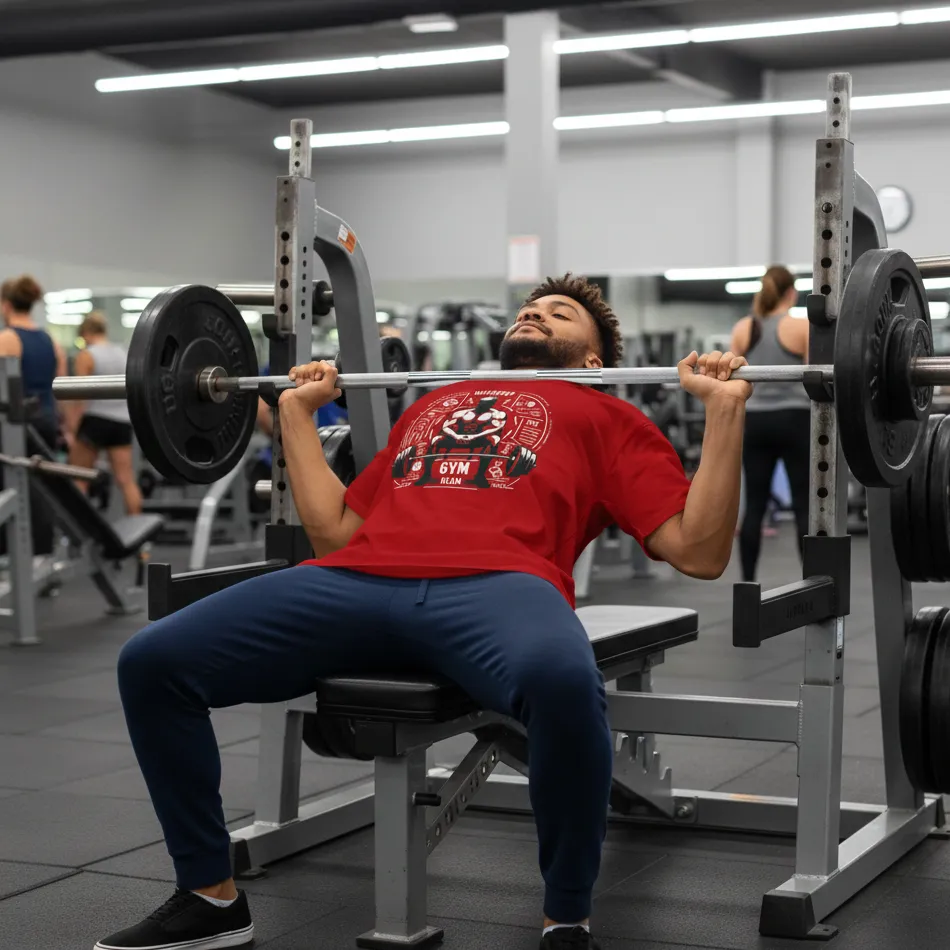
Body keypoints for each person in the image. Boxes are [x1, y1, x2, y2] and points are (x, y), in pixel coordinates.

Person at [98, 274, 753, 950]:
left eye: (559, 315)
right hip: (357, 578)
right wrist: (297, 414)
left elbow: (698, 552)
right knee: (153, 661)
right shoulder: (438, 403)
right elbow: (338, 533)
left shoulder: (612, 418)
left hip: (501, 584)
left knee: (562, 683)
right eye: (531, 309)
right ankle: (211, 897)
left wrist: (725, 411)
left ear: (595, 362)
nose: (536, 314)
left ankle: (566, 917)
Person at [729, 265, 810, 582]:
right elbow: (817, 378)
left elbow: (732, 380)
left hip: (756, 421)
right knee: (805, 507)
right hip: (795, 419)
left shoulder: (742, 328)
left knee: (755, 507)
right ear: (791, 293)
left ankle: (747, 584)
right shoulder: (801, 327)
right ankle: (812, 582)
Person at [0, 275, 67, 556]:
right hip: (46, 421)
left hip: (15, 425)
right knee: (39, 488)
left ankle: (11, 555)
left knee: (11, 488)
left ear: (5, 305)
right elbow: (60, 386)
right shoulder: (50, 341)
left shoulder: (7, 338)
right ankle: (41, 553)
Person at [64, 312, 142, 515]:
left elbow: (79, 397)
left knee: (79, 478)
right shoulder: (122, 353)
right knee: (126, 480)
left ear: (86, 333)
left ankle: (79, 537)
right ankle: (142, 542)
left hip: (95, 420)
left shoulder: (87, 355)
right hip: (121, 422)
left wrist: (72, 429)